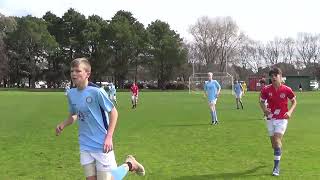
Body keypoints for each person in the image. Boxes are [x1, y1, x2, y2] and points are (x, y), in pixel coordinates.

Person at [55, 58, 145, 180]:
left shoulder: (97, 92)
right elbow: (74, 114)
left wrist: (109, 137)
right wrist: (63, 124)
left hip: (101, 143)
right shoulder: (71, 94)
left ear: (87, 74)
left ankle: (130, 164)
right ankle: (130, 165)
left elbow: (114, 112)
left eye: (78, 71)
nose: (74, 74)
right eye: (72, 71)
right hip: (85, 144)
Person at [259, 67, 297, 176]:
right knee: (274, 144)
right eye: (272, 76)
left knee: (276, 140)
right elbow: (261, 102)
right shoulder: (266, 89)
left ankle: (276, 168)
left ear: (281, 76)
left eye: (276, 75)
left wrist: (289, 112)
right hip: (270, 119)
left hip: (282, 119)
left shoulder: (287, 89)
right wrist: (265, 110)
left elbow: (294, 102)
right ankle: (278, 150)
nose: (274, 78)